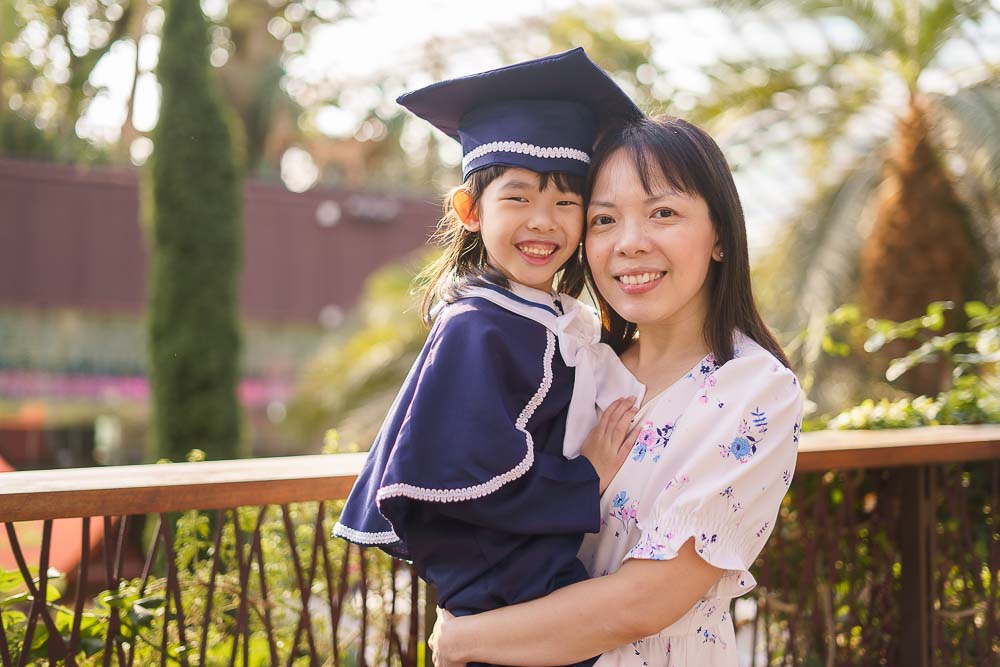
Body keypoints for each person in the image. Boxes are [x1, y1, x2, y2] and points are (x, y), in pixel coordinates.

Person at [429, 115, 804, 666]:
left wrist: (464, 639)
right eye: (604, 219)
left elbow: (643, 602)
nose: (629, 243)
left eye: (664, 213)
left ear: (720, 234)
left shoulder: (755, 391)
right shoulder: (576, 365)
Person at [333, 48, 646, 667]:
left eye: (566, 202)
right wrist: (587, 475)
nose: (544, 221)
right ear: (470, 211)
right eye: (518, 198)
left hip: (534, 578)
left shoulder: (544, 316)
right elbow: (464, 477)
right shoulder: (477, 326)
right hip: (505, 597)